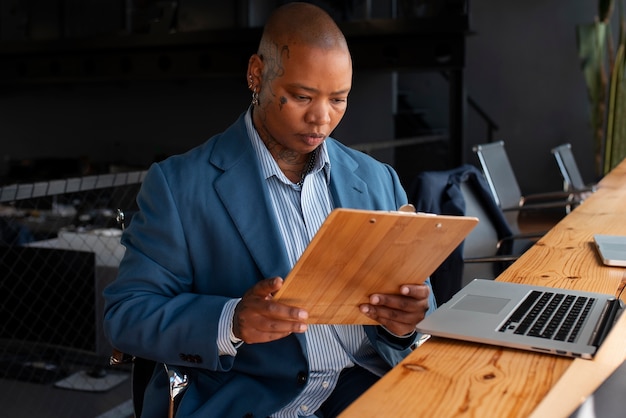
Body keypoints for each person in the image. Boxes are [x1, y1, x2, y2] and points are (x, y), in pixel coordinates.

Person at [103, 2, 437, 417]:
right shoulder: (179, 186)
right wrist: (232, 321)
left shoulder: (377, 179)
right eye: (301, 96)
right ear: (257, 75)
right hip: (256, 401)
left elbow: (421, 308)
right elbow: (126, 314)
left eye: (339, 100)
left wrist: (404, 325)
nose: (321, 118)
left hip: (371, 389)